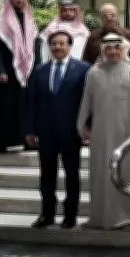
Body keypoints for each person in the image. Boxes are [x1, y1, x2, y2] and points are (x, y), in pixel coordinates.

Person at [76, 33, 130, 230]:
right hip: (100, 134)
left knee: (126, 173)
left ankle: (128, 217)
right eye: (109, 48)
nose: (113, 52)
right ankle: (99, 217)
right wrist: (81, 124)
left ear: (124, 49)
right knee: (101, 173)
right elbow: (87, 101)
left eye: (117, 48)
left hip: (127, 136)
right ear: (103, 50)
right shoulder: (94, 73)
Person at [25, 31, 90, 229]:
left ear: (69, 46)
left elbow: (88, 102)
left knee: (72, 175)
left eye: (62, 44)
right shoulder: (39, 71)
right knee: (47, 176)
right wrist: (29, 130)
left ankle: (70, 215)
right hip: (46, 133)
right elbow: (30, 102)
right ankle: (47, 214)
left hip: (71, 133)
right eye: (54, 44)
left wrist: (87, 127)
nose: (57, 47)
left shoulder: (83, 69)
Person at [0, 0, 41, 153]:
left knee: (27, 107)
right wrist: (0, 71)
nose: (20, 0)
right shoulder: (0, 23)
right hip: (7, 74)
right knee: (6, 108)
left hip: (27, 71)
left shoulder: (30, 21)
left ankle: (27, 141)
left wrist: (37, 69)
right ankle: (3, 142)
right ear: (9, 0)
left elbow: (35, 47)